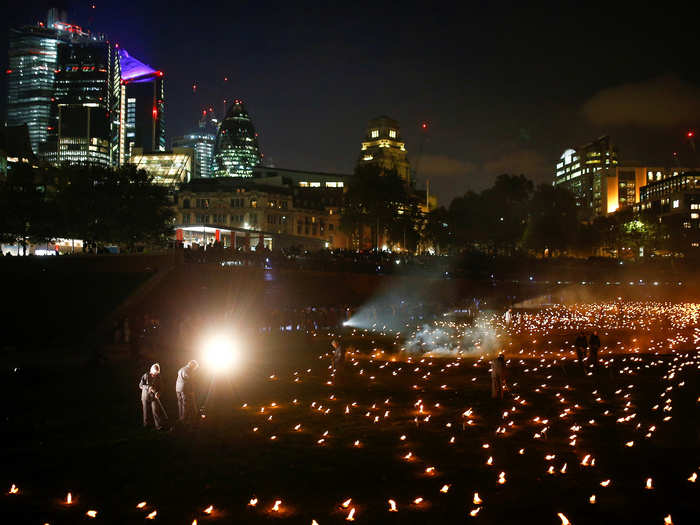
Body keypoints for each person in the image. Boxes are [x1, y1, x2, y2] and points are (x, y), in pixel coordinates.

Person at [139, 363, 168, 430]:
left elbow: (162, 387)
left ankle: (158, 426)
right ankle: (146, 426)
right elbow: (140, 385)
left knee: (156, 411)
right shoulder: (146, 375)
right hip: (145, 397)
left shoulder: (158, 377)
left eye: (157, 373)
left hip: (154, 397)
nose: (155, 374)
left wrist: (159, 393)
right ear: (151, 370)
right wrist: (148, 387)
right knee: (146, 412)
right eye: (155, 373)